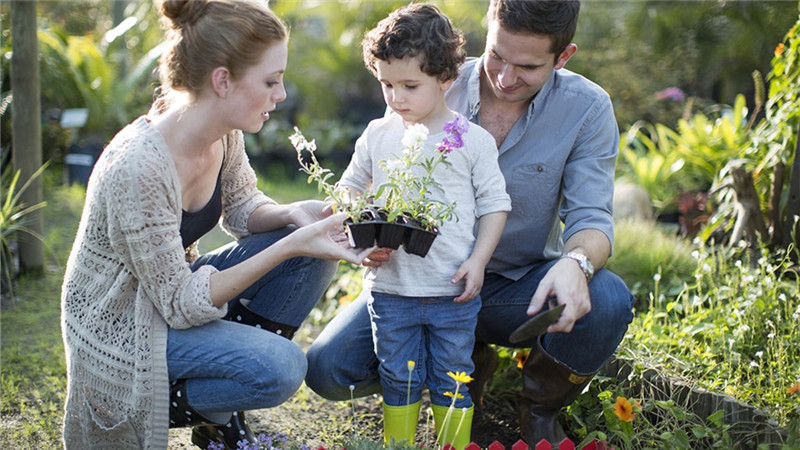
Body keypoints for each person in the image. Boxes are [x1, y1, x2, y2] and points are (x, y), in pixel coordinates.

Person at [306, 0, 635, 446]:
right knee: (330, 370)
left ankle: (537, 409)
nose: (504, 77)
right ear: (488, 28)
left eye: (528, 66)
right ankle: (455, 365)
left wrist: (576, 262)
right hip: (420, 280)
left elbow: (592, 217)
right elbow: (382, 177)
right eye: (498, 55)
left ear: (563, 57)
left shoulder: (587, 109)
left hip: (514, 289)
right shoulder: (429, 75)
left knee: (609, 299)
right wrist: (371, 235)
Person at [59, 1, 373, 449]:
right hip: (121, 323)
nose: (280, 94)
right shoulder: (140, 168)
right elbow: (179, 303)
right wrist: (288, 246)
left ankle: (217, 412)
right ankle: (186, 401)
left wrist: (293, 216)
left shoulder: (224, 130)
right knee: (281, 368)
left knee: (307, 251)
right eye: (270, 80)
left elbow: (242, 207)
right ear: (222, 80)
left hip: (166, 294)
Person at [335, 4, 511, 448]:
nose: (396, 97)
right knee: (398, 375)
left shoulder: (472, 141)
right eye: (386, 84)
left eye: (409, 85)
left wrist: (478, 261)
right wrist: (364, 232)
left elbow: (495, 204)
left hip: (452, 288)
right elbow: (350, 186)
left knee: (453, 377)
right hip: (391, 289)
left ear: (446, 78)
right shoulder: (378, 133)